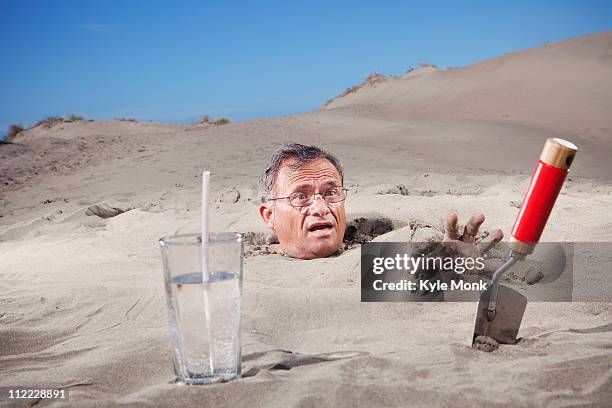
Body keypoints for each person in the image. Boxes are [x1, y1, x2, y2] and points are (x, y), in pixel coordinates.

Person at [258, 143, 503, 261]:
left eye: (331, 193)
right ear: (269, 216)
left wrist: (453, 269)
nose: (321, 208)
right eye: (301, 197)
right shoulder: (245, 281)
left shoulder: (379, 264)